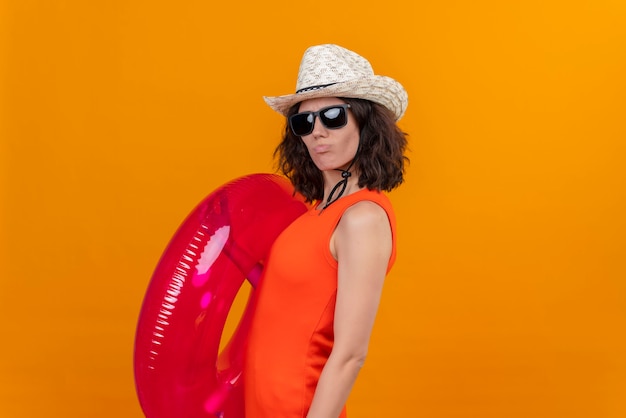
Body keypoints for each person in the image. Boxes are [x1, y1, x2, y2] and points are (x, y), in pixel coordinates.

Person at [244, 44, 409, 418]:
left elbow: (351, 354)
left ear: (365, 122)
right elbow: (287, 303)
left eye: (333, 116)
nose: (317, 132)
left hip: (301, 408)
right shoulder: (313, 213)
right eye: (304, 122)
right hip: (260, 404)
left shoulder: (362, 217)